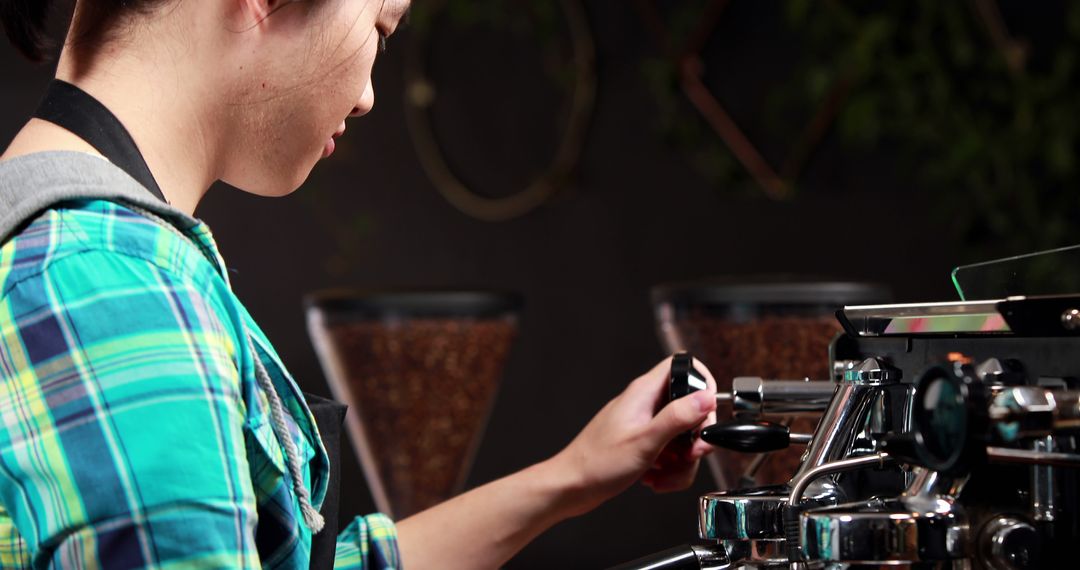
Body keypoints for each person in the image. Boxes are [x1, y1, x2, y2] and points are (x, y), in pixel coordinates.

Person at [0, 0, 718, 568]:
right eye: (380, 25)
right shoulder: (117, 293)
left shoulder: (79, 262)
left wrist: (572, 477)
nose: (371, 95)